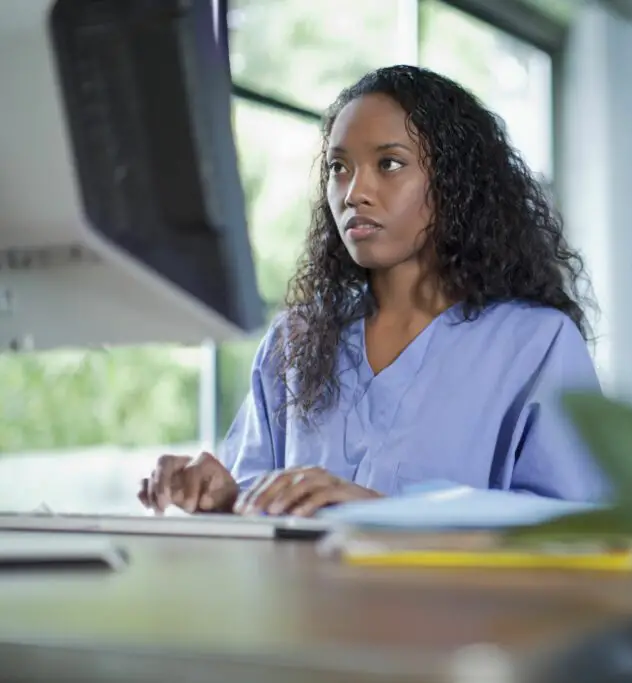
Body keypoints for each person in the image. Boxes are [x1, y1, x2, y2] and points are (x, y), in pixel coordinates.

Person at [139, 65, 607, 518]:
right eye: (339, 168)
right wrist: (223, 497)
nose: (354, 192)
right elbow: (258, 504)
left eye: (389, 164)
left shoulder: (537, 344)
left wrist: (386, 514)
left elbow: (572, 531)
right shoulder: (294, 341)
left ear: (454, 183)